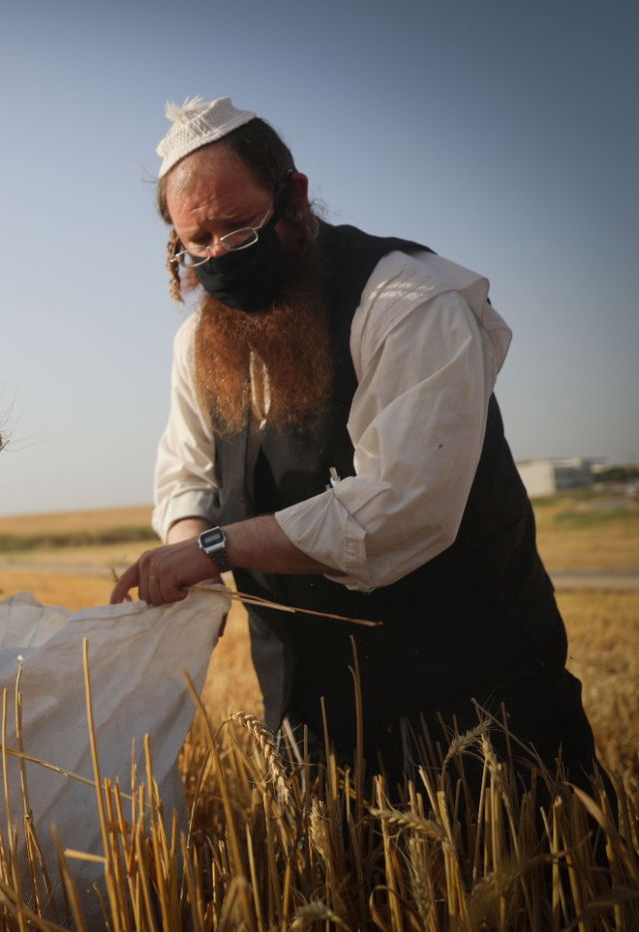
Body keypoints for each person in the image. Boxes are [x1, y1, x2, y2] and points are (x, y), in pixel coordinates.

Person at [111, 97, 598, 783]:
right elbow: (189, 471)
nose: (220, 255)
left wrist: (216, 547)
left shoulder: (408, 301)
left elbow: (402, 508)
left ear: (295, 196)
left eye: (240, 227)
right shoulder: (198, 339)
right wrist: (191, 544)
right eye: (199, 241)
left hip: (466, 696)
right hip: (305, 701)